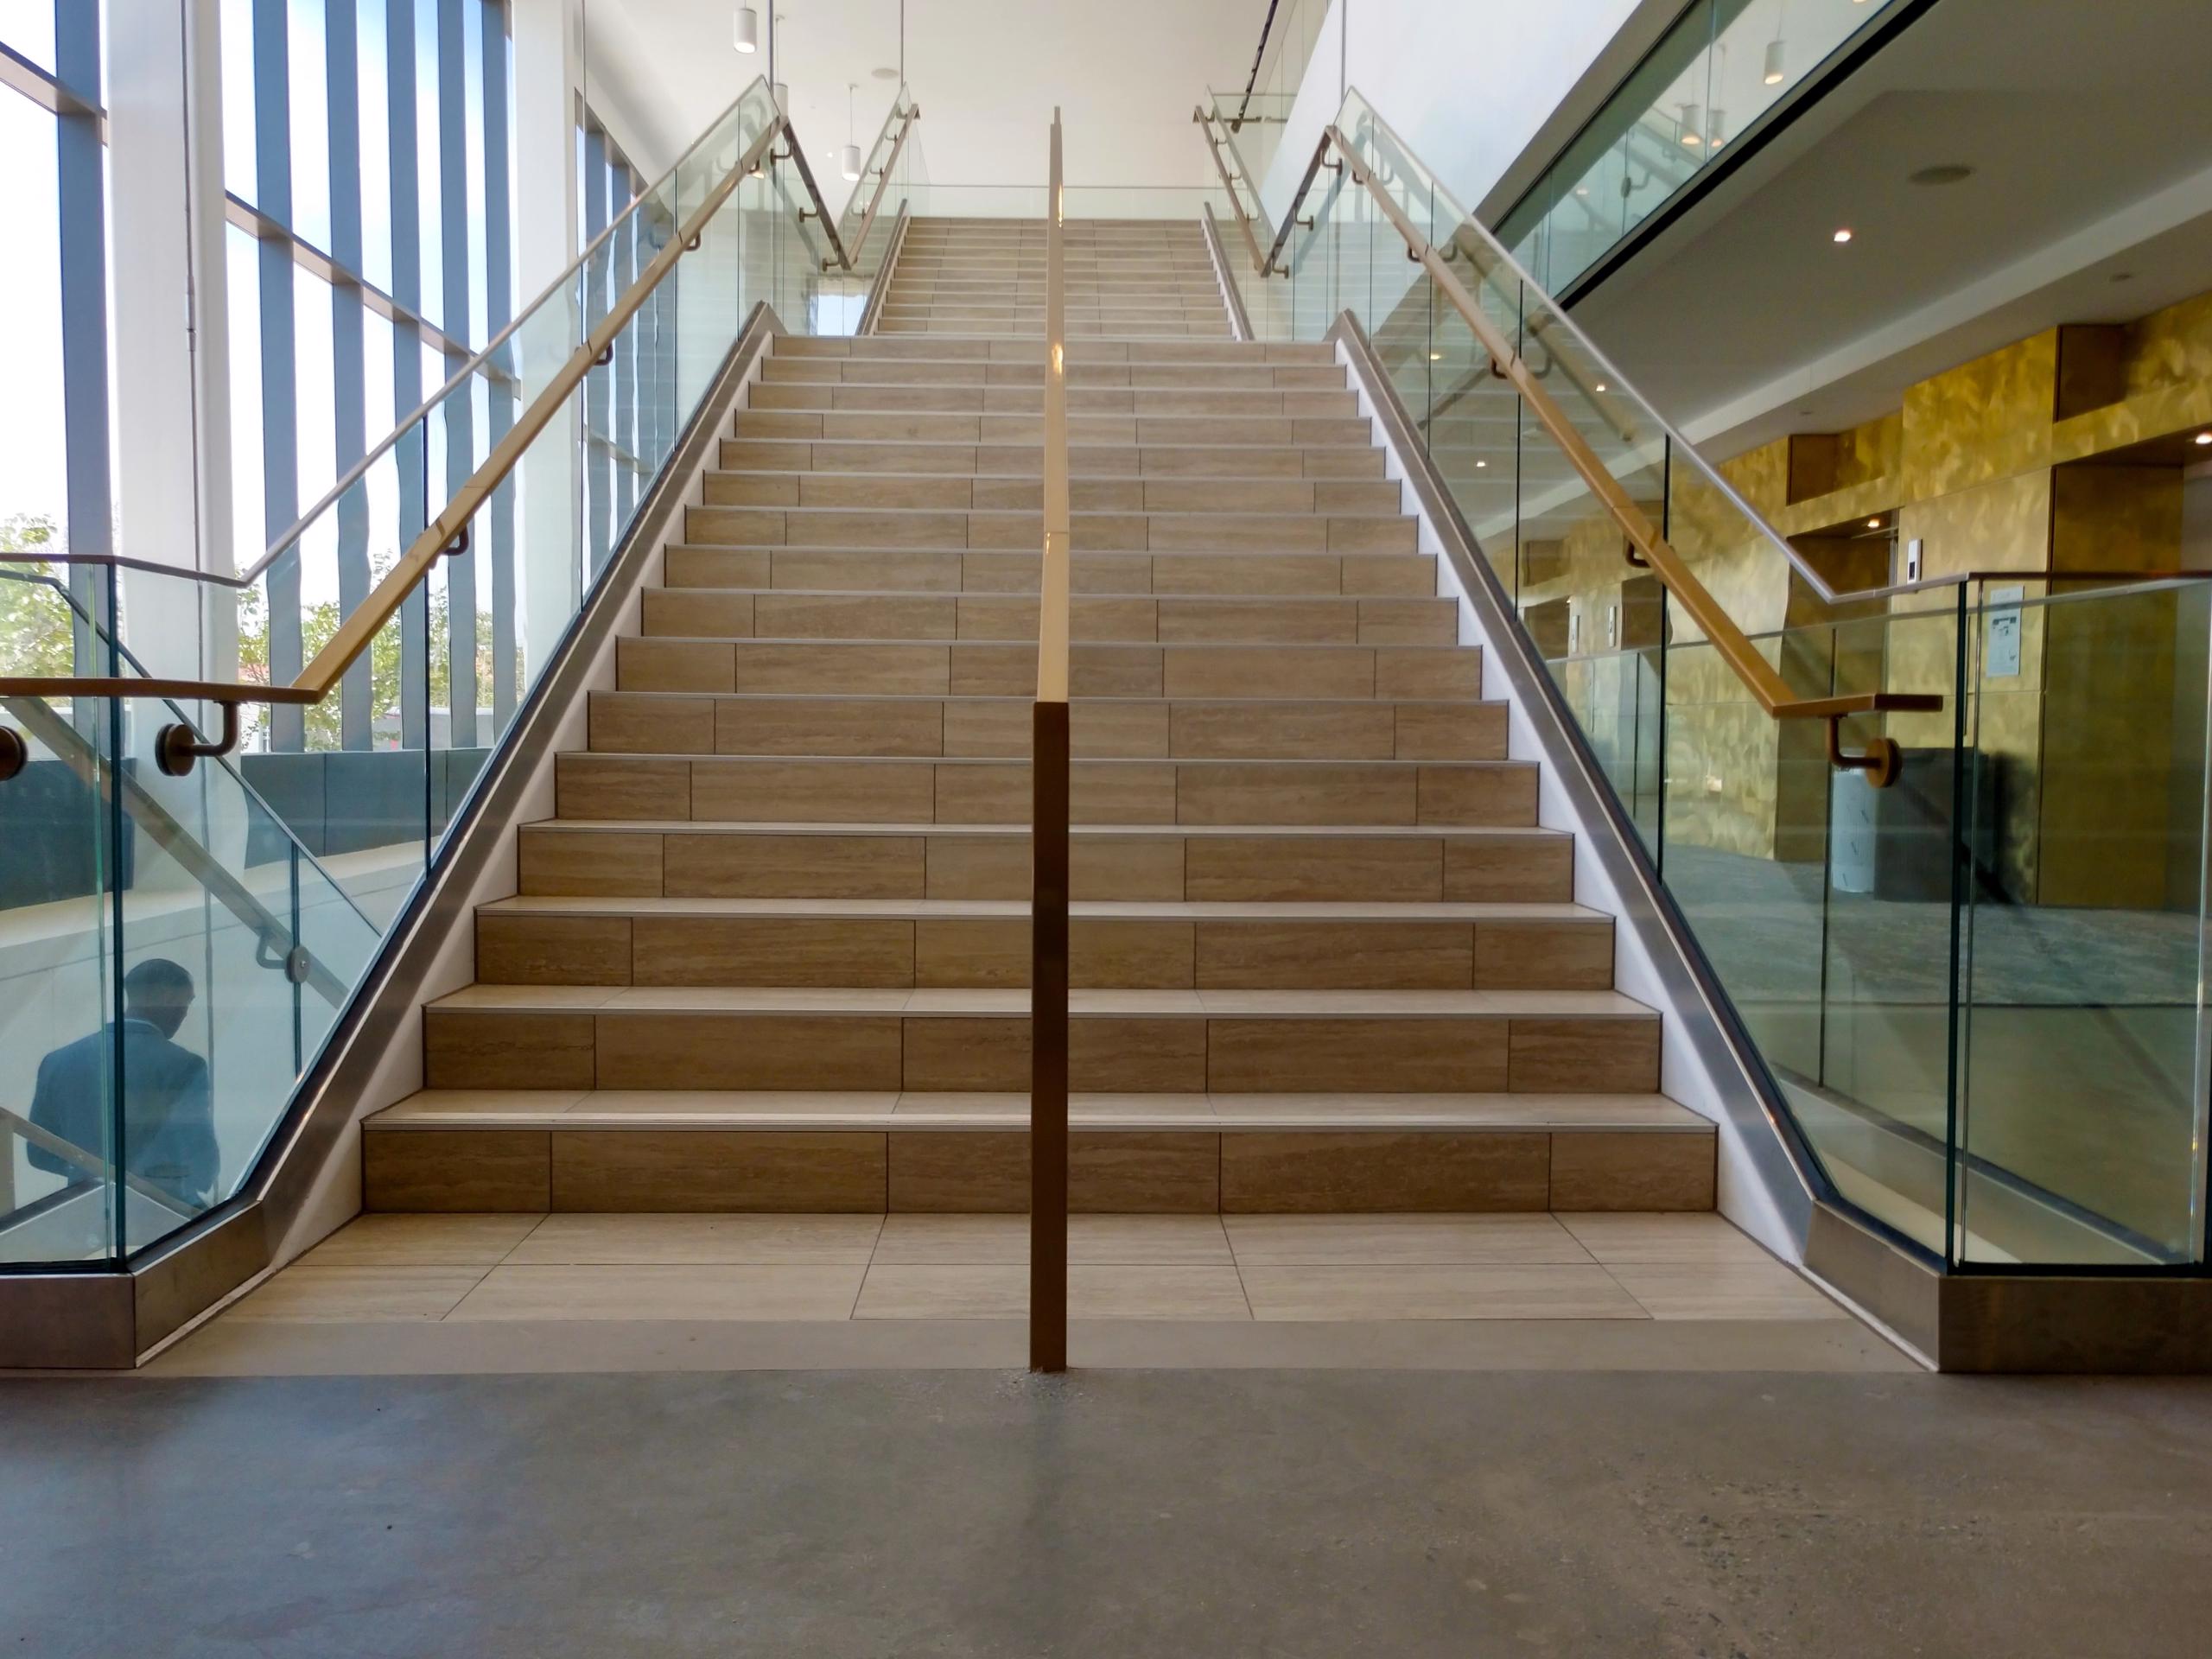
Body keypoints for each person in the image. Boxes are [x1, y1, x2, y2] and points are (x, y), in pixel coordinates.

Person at [29, 958, 219, 1212]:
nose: (185, 1012)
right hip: (160, 1210)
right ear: (163, 995)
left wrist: (86, 1170)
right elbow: (201, 1159)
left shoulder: (57, 1061)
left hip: (86, 1210)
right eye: (186, 1000)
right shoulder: (184, 1065)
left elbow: (39, 1153)